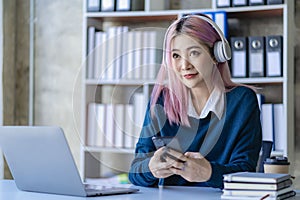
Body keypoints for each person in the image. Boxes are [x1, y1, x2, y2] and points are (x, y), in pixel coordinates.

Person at [128, 14, 262, 189]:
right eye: (176, 56)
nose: (184, 65)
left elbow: (246, 172)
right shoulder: (161, 100)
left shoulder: (242, 100)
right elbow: (134, 171)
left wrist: (209, 173)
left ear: (216, 55)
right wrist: (151, 168)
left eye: (194, 53)